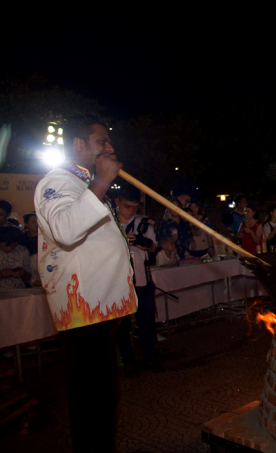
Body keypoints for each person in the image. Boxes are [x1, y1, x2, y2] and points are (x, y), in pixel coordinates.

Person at [34, 113, 136, 453]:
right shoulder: (56, 181)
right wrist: (103, 182)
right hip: (83, 312)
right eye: (101, 142)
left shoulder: (82, 184)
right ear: (79, 145)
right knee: (91, 399)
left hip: (99, 310)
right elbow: (65, 228)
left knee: (104, 397)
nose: (110, 147)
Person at [114, 185, 163, 377]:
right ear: (117, 203)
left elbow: (153, 248)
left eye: (135, 207)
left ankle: (150, 357)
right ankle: (128, 361)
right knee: (123, 325)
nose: (132, 210)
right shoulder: (108, 223)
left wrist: (143, 242)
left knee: (146, 322)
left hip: (142, 281)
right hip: (119, 283)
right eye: (127, 206)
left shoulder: (144, 223)